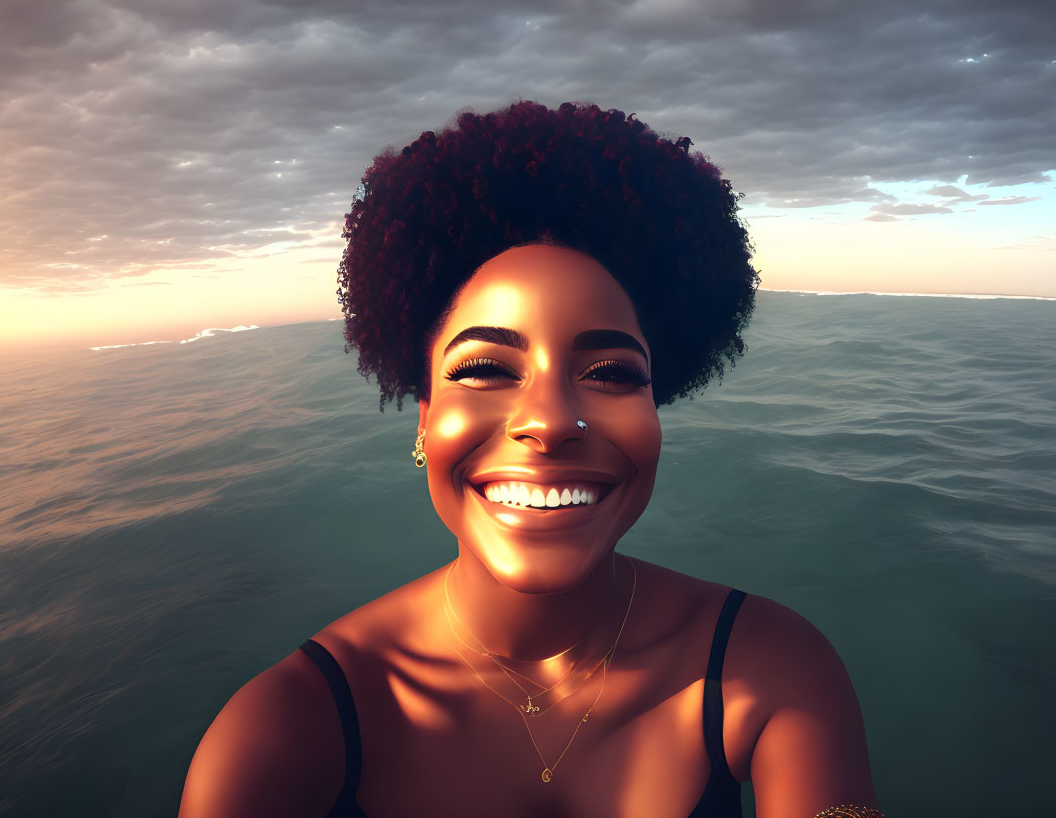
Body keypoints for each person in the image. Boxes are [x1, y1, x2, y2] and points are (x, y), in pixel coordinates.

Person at [179, 101, 882, 818]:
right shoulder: (279, 730)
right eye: (484, 368)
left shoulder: (771, 666)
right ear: (423, 418)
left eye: (610, 372)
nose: (548, 420)